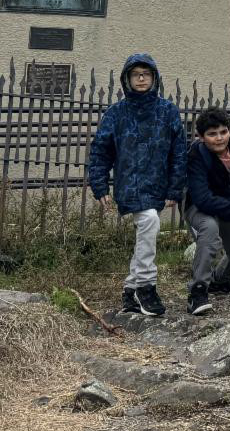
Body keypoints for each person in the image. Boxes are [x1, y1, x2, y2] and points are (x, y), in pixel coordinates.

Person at [88, 53, 187, 316]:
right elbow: (101, 150)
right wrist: (99, 185)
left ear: (154, 78)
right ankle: (146, 286)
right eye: (135, 74)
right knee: (150, 222)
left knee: (147, 228)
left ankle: (130, 291)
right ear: (127, 79)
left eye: (146, 74)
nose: (141, 78)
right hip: (128, 184)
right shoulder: (116, 113)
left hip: (158, 183)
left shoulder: (167, 111)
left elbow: (179, 152)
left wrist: (175, 188)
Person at [183, 106, 230, 315]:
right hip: (199, 207)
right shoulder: (196, 156)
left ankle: (219, 279)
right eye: (211, 134)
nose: (219, 138)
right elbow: (203, 200)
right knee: (209, 229)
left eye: (223, 132)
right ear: (201, 138)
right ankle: (198, 291)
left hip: (228, 203)